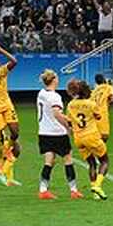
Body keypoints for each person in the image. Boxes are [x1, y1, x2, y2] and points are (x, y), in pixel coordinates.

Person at [36, 70, 82, 200]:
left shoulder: (41, 93)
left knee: (49, 161)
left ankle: (43, 189)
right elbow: (56, 113)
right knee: (68, 159)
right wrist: (68, 126)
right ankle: (73, 190)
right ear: (54, 80)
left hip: (44, 132)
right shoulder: (55, 97)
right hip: (57, 133)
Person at [66, 78, 110, 200]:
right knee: (104, 161)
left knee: (91, 163)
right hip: (91, 136)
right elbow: (99, 117)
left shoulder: (70, 105)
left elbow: (69, 122)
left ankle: (95, 194)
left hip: (78, 138)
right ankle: (97, 186)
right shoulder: (91, 104)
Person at [91, 73, 113, 143]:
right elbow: (111, 98)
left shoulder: (94, 90)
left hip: (94, 113)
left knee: (96, 133)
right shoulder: (108, 87)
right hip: (103, 112)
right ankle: (99, 150)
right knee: (104, 135)